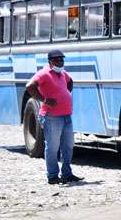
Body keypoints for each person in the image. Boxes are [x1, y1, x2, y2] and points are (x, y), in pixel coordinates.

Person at [26, 50, 82, 185]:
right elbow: (30, 86)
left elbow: (70, 81)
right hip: (52, 116)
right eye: (56, 60)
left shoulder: (62, 73)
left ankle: (67, 174)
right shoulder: (44, 73)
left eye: (61, 60)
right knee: (52, 147)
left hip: (66, 115)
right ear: (50, 62)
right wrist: (44, 99)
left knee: (68, 146)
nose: (60, 62)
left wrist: (65, 94)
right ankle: (52, 176)